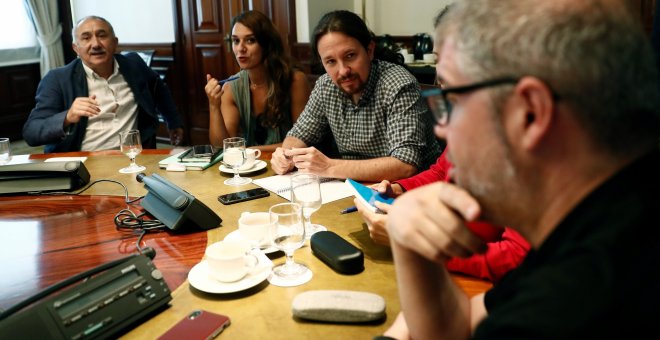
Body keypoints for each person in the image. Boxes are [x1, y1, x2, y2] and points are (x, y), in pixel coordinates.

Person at [386, 0, 660, 338]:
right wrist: (410, 246)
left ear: (529, 113)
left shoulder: (566, 304)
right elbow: (461, 322)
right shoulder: (607, 218)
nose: (441, 128)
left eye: (453, 101)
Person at [270, 10, 440, 182]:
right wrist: (285, 155)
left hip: (411, 191)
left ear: (370, 50)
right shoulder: (325, 85)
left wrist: (329, 167)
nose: (343, 71)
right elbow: (299, 134)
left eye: (350, 56)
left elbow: (405, 165)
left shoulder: (397, 84)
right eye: (331, 61)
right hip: (351, 189)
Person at [23, 16, 184, 153]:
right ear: (76, 48)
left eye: (102, 35)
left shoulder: (133, 65)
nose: (96, 44)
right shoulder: (57, 79)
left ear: (115, 43)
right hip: (82, 162)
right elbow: (31, 132)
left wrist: (174, 122)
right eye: (86, 38)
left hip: (132, 158)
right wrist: (67, 117)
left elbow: (159, 88)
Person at [205, 10, 311, 152]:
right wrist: (214, 106)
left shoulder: (295, 80)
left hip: (292, 167)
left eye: (250, 40)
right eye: (236, 41)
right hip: (250, 167)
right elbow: (222, 146)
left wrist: (252, 150)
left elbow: (303, 141)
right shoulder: (231, 87)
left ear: (266, 44)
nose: (240, 49)